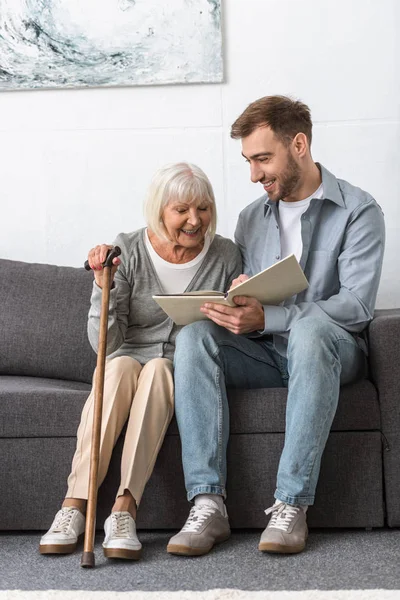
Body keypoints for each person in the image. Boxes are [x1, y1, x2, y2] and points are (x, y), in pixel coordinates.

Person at [167, 96, 385, 557]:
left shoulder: (359, 211)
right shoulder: (251, 218)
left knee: (308, 333)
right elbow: (250, 298)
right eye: (248, 161)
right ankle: (207, 503)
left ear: (299, 144)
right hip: (266, 352)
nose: (254, 174)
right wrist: (241, 301)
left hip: (333, 351)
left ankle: (291, 503)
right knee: (194, 337)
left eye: (263, 159)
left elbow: (357, 306)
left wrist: (276, 316)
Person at [39, 162, 242, 560]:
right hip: (126, 355)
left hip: (179, 365)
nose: (194, 219)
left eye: (202, 209)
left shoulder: (225, 255)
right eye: (182, 209)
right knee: (118, 367)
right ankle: (74, 506)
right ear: (159, 210)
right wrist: (103, 289)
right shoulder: (127, 249)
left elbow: (230, 328)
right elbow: (107, 343)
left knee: (158, 371)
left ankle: (124, 510)